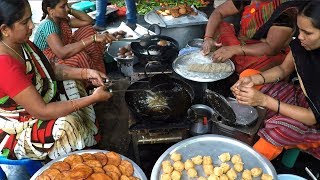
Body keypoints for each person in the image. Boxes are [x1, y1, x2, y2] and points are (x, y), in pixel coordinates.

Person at [0, 0, 113, 160]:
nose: (32, 26)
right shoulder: (4, 64)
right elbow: (42, 111)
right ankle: (76, 160)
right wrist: (92, 98)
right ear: (5, 29)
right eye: (25, 22)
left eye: (31, 19)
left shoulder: (22, 44)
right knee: (67, 124)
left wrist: (86, 73)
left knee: (73, 84)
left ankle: (86, 145)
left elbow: (49, 69)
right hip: (16, 127)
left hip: (37, 105)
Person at [231, 0, 320, 160]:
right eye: (299, 30)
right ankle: (259, 119)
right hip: (301, 99)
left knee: (280, 129)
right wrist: (254, 78)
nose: (300, 37)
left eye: (308, 33)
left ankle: (251, 163)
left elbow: (312, 117)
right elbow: (283, 69)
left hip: (315, 123)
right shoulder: (302, 46)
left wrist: (264, 100)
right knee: (247, 76)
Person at [202, 0, 303, 74]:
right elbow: (218, 12)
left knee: (259, 67)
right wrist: (208, 38)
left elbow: (271, 48)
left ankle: (233, 63)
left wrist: (234, 49)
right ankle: (230, 58)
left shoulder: (285, 10)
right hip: (241, 43)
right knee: (218, 27)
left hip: (262, 51)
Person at [33, 0, 115, 75]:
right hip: (50, 62)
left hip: (61, 51)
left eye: (67, 4)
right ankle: (91, 81)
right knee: (80, 56)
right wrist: (92, 38)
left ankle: (98, 69)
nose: (67, 8)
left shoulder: (61, 19)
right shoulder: (47, 25)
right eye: (62, 6)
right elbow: (62, 53)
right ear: (50, 10)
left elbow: (88, 21)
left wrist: (70, 10)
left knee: (88, 30)